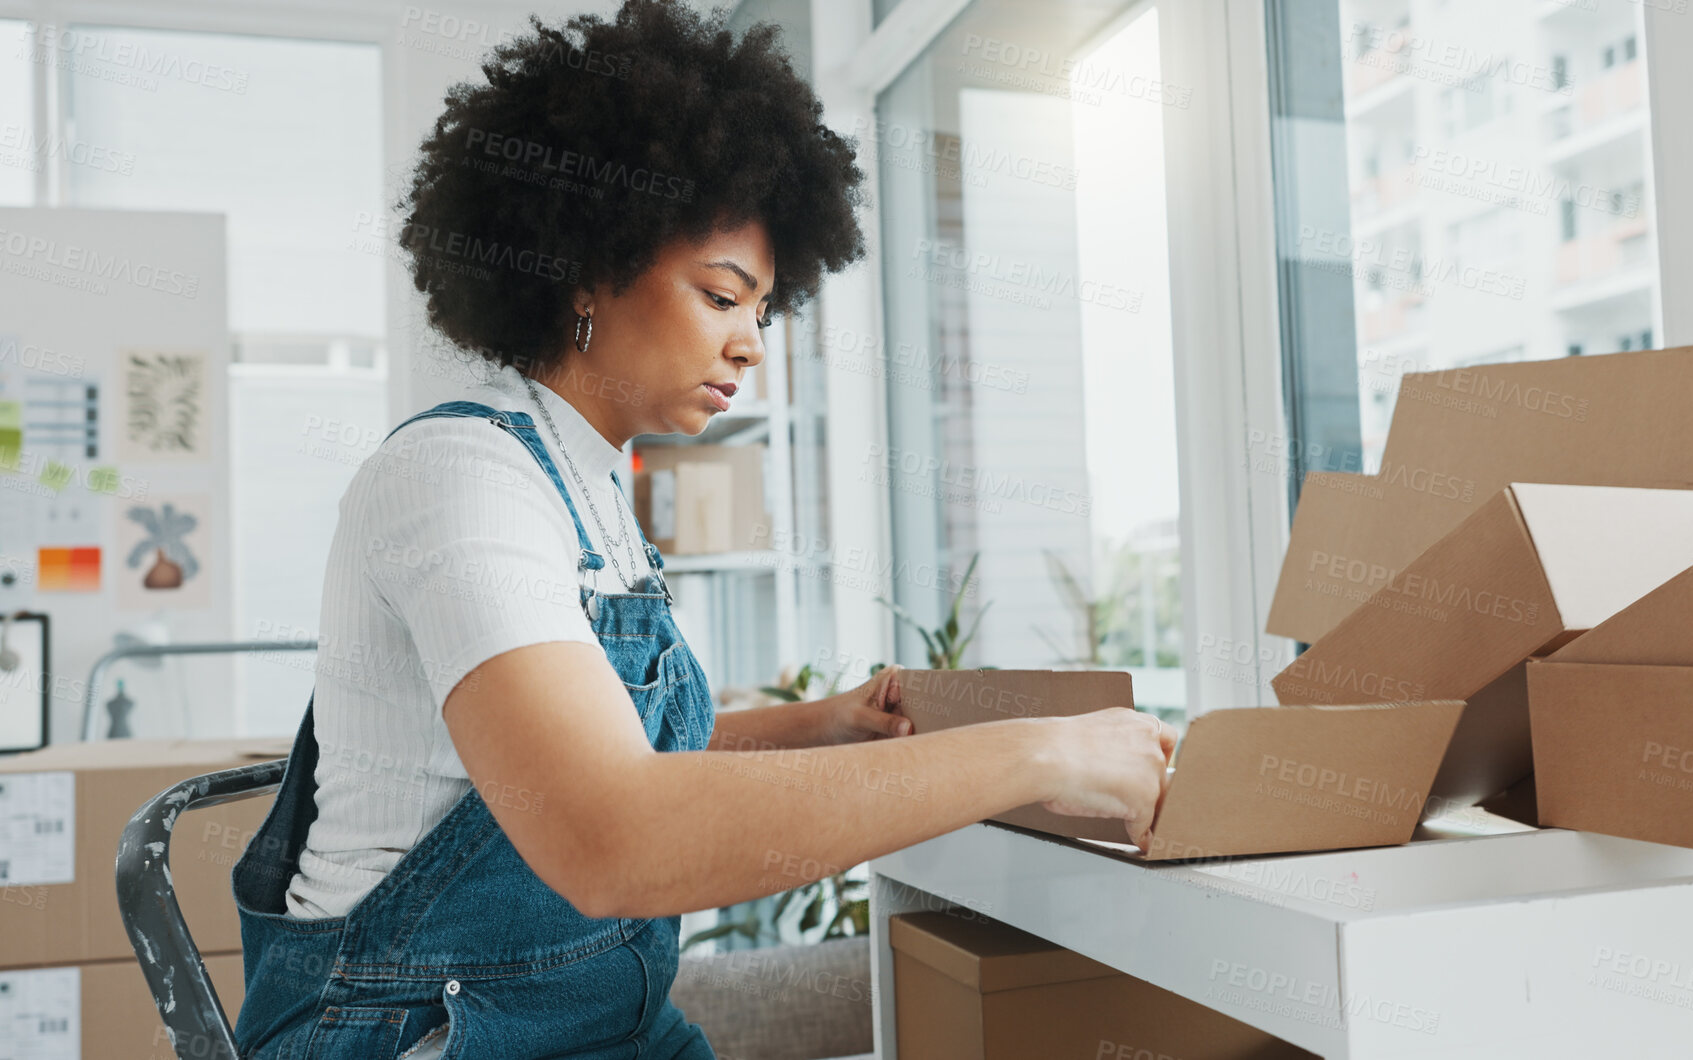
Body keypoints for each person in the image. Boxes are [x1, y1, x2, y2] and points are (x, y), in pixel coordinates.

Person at [230, 2, 1175, 1057]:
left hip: (602, 1022)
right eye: (723, 296)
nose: (751, 346)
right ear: (584, 267)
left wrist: (816, 725)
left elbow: (594, 739)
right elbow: (610, 831)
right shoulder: (460, 482)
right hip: (420, 1030)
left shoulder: (589, 489)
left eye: (763, 310)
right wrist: (1044, 751)